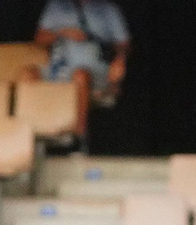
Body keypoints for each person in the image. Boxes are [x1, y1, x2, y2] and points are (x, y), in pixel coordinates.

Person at [20, 0, 131, 151]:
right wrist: (63, 32)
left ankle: (78, 139)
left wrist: (120, 61)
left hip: (95, 69)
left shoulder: (107, 8)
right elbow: (39, 39)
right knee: (28, 74)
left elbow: (124, 43)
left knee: (80, 75)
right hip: (58, 68)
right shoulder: (56, 6)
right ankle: (30, 137)